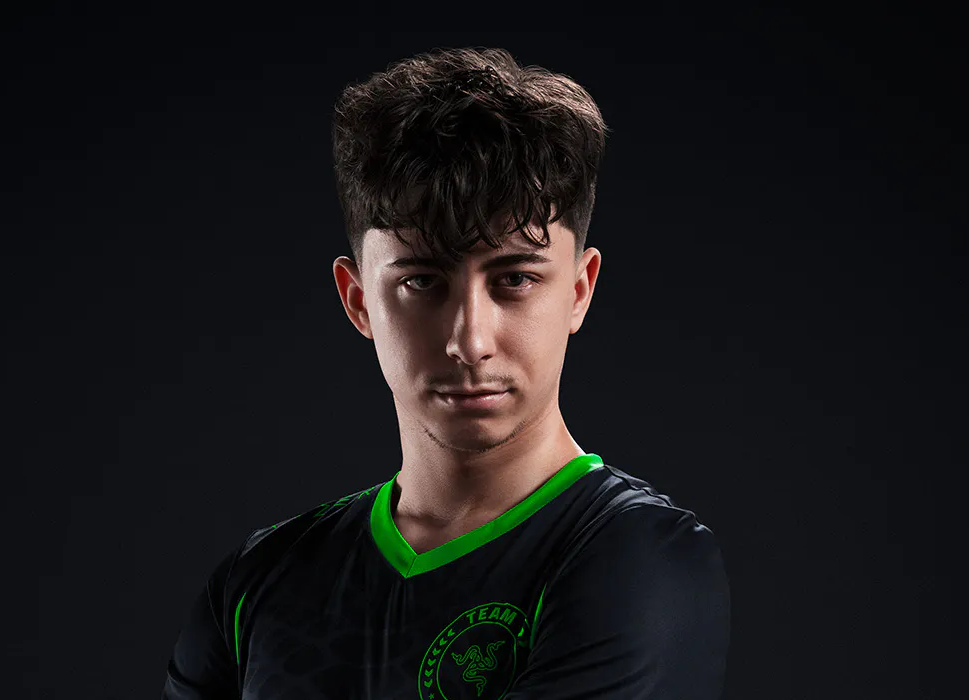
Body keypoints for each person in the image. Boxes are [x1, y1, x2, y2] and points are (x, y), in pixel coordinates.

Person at [162, 46, 730, 699]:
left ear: (579, 290)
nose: (470, 339)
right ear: (359, 301)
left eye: (514, 279)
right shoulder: (257, 584)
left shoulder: (641, 558)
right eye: (423, 282)